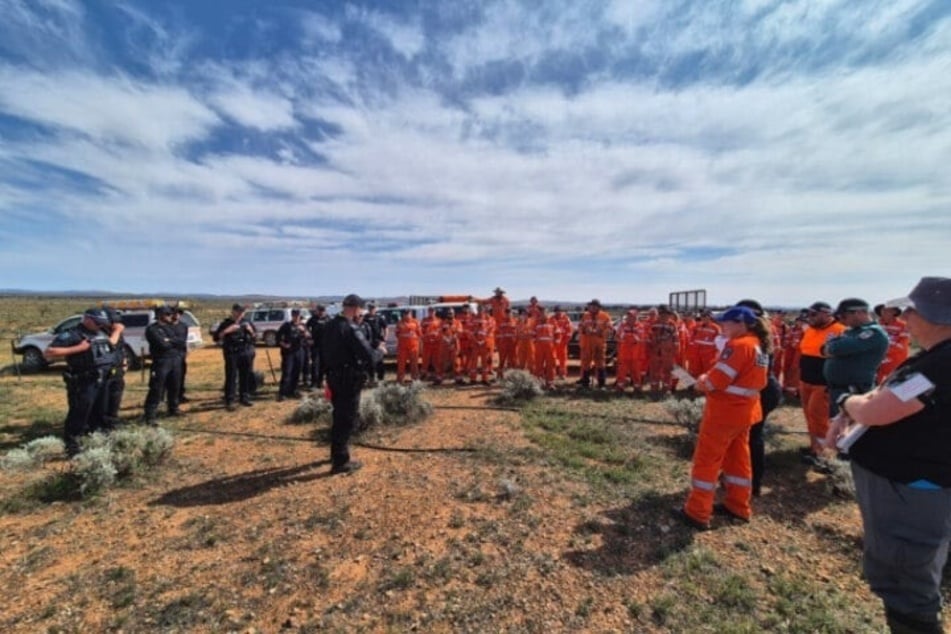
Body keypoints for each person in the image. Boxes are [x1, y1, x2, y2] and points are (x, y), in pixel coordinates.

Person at [825, 277, 951, 634]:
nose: (903, 318)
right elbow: (887, 396)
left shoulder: (942, 364)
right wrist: (853, 410)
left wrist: (847, 402)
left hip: (913, 489)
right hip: (911, 484)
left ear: (939, 316)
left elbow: (877, 410)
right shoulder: (935, 359)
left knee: (906, 579)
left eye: (912, 311)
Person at [672, 306, 769, 530]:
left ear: (740, 324)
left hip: (725, 413)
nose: (722, 326)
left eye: (726, 322)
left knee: (707, 460)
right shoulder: (756, 344)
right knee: (738, 459)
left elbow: (716, 381)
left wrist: (699, 381)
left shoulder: (738, 346)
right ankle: (738, 506)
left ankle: (697, 512)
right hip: (745, 411)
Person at [321, 294, 385, 474]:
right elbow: (369, 356)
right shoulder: (350, 328)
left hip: (333, 376)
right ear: (356, 308)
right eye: (360, 310)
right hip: (348, 379)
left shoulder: (329, 326)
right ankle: (340, 462)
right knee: (347, 418)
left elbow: (321, 351)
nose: (361, 313)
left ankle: (336, 454)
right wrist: (380, 351)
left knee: (338, 415)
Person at [44, 308, 120, 455]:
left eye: (102, 323)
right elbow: (49, 352)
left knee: (100, 412)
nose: (100, 326)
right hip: (84, 381)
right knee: (80, 414)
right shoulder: (73, 334)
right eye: (98, 322)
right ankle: (72, 446)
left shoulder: (100, 332)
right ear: (87, 319)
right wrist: (79, 348)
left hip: (102, 379)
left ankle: (95, 442)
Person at [735, 299, 782, 497]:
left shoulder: (750, 342)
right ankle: (746, 478)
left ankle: (751, 482)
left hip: (760, 392)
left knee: (752, 436)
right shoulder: (760, 338)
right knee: (751, 435)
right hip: (764, 390)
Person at [798, 301, 847, 463]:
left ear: (826, 314)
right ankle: (814, 447)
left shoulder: (840, 330)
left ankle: (823, 455)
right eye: (808, 314)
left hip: (823, 382)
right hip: (805, 379)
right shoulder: (810, 330)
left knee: (818, 417)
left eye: (813, 314)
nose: (809, 317)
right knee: (809, 415)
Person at [822, 298, 889, 416]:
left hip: (854, 391)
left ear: (858, 312)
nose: (841, 320)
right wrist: (832, 347)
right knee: (836, 423)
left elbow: (836, 348)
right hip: (840, 390)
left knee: (851, 424)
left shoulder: (873, 333)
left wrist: (833, 348)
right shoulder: (852, 331)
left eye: (843, 316)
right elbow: (825, 348)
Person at [143, 305, 183, 425]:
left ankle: (173, 408)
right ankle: (150, 415)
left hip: (175, 360)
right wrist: (171, 341)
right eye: (168, 314)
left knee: (175, 386)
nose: (171, 316)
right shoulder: (152, 329)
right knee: (157, 388)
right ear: (160, 315)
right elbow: (162, 344)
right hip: (161, 361)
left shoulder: (171, 327)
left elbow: (181, 341)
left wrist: (169, 340)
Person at [214, 304, 256, 411]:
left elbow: (254, 337)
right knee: (231, 376)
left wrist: (250, 330)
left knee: (245, 375)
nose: (240, 314)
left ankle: (244, 397)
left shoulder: (246, 322)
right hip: (232, 353)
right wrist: (227, 330)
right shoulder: (226, 323)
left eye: (242, 312)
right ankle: (230, 400)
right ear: (233, 312)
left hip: (245, 352)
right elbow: (216, 338)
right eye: (238, 311)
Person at [577, 299, 613, 388]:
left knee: (600, 364)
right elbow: (580, 327)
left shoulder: (605, 316)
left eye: (594, 306)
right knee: (585, 363)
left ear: (598, 307)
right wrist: (585, 330)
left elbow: (610, 329)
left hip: (599, 343)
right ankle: (585, 384)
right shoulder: (585, 316)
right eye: (591, 306)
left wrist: (601, 332)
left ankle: (601, 384)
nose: (592, 308)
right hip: (587, 343)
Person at [276, 308, 310, 400]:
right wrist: (284, 344)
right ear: (292, 316)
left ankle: (293, 390)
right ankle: (282, 393)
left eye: (298, 315)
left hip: (299, 350)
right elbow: (278, 337)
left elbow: (308, 336)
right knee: (287, 372)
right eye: (294, 315)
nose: (296, 317)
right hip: (289, 352)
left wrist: (303, 331)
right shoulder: (286, 325)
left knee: (297, 371)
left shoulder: (303, 325)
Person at [102, 307, 127, 426]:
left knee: (115, 397)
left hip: (117, 369)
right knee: (104, 399)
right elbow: (109, 344)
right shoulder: (99, 332)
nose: (116, 324)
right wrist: (116, 331)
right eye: (113, 321)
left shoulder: (117, 333)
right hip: (104, 371)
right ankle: (103, 423)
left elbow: (121, 348)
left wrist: (124, 362)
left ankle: (112, 421)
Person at [876, 304, 911, 384]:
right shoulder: (876, 325)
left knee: (896, 385)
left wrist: (882, 350)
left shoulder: (904, 325)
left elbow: (902, 345)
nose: (883, 312)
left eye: (887, 310)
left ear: (894, 312)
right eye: (882, 310)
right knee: (877, 386)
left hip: (897, 362)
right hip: (878, 364)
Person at [169, 305, 190, 403]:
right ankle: (170, 397)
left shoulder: (183, 326)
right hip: (170, 355)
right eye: (174, 313)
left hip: (181, 354)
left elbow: (183, 340)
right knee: (170, 378)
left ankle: (180, 395)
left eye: (178, 313)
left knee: (181, 375)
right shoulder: (167, 326)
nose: (176, 315)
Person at [362, 303, 387, 383]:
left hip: (378, 342)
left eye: (373, 308)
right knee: (369, 361)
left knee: (380, 361)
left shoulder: (379, 318)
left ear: (375, 309)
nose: (371, 310)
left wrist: (384, 339)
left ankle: (381, 378)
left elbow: (385, 328)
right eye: (370, 308)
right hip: (368, 343)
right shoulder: (364, 318)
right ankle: (371, 378)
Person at [306, 304, 329, 389]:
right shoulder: (313, 319)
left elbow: (333, 330)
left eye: (323, 311)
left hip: (325, 346)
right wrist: (309, 338)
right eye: (320, 310)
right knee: (315, 364)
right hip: (315, 345)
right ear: (317, 311)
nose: (321, 312)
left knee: (323, 364)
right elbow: (306, 328)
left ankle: (320, 381)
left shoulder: (328, 319)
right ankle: (314, 383)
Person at [395, 309, 421, 383]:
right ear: (403, 315)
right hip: (402, 347)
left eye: (408, 313)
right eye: (405, 314)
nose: (407, 315)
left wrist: (413, 338)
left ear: (411, 314)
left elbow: (419, 333)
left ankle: (415, 378)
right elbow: (397, 334)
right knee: (401, 364)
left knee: (414, 364)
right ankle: (400, 379)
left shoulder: (416, 322)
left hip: (413, 346)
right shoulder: (400, 323)